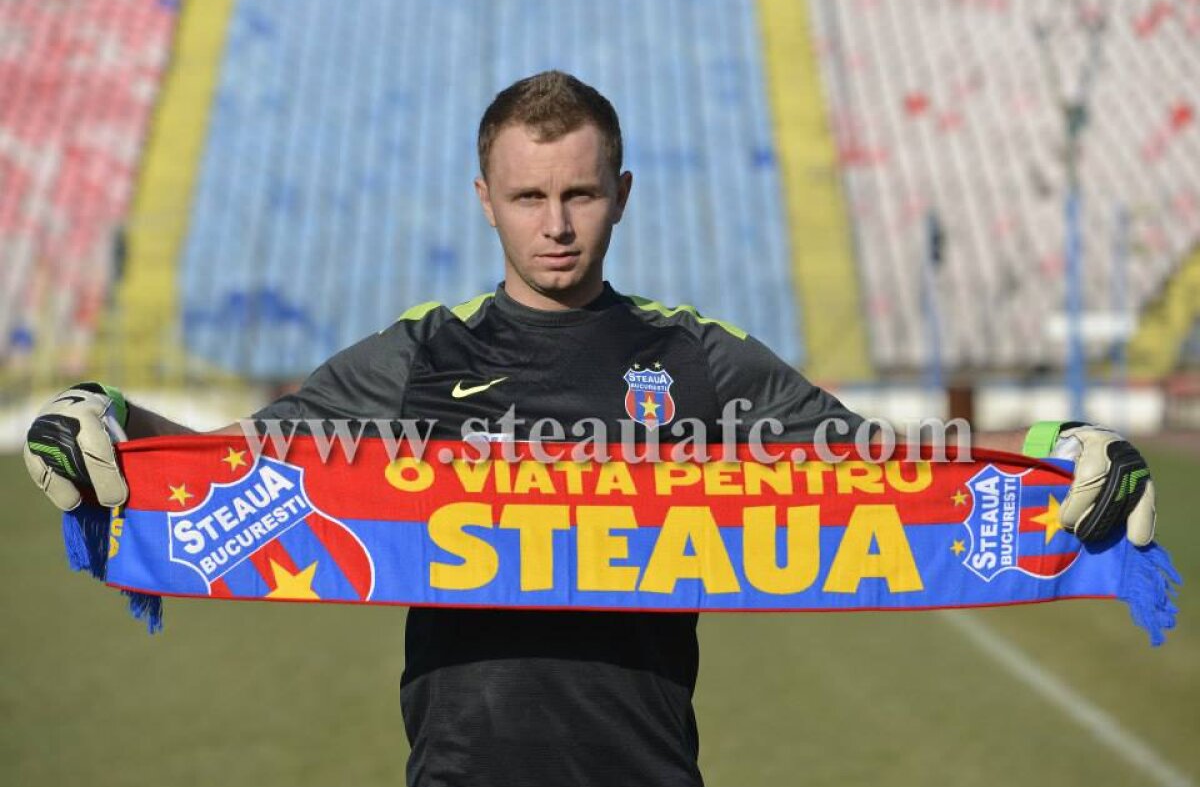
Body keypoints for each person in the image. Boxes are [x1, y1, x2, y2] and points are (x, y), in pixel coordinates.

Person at [24, 71, 1157, 787]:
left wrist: (1058, 453)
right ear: (485, 200)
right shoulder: (419, 357)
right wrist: (109, 418)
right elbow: (233, 461)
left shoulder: (698, 359)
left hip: (648, 768)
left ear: (622, 192)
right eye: (528, 197)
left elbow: (898, 473)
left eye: (580, 194)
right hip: (457, 773)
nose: (556, 225)